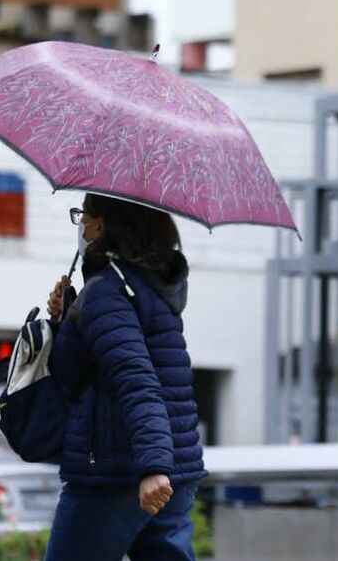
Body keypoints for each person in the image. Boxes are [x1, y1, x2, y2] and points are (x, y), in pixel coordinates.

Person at [42, 193, 208, 561]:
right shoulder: (148, 287)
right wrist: (69, 316)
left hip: (120, 473)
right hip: (174, 469)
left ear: (102, 224)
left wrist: (152, 467)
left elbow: (135, 378)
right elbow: (115, 361)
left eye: (82, 216)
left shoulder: (107, 291)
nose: (81, 226)